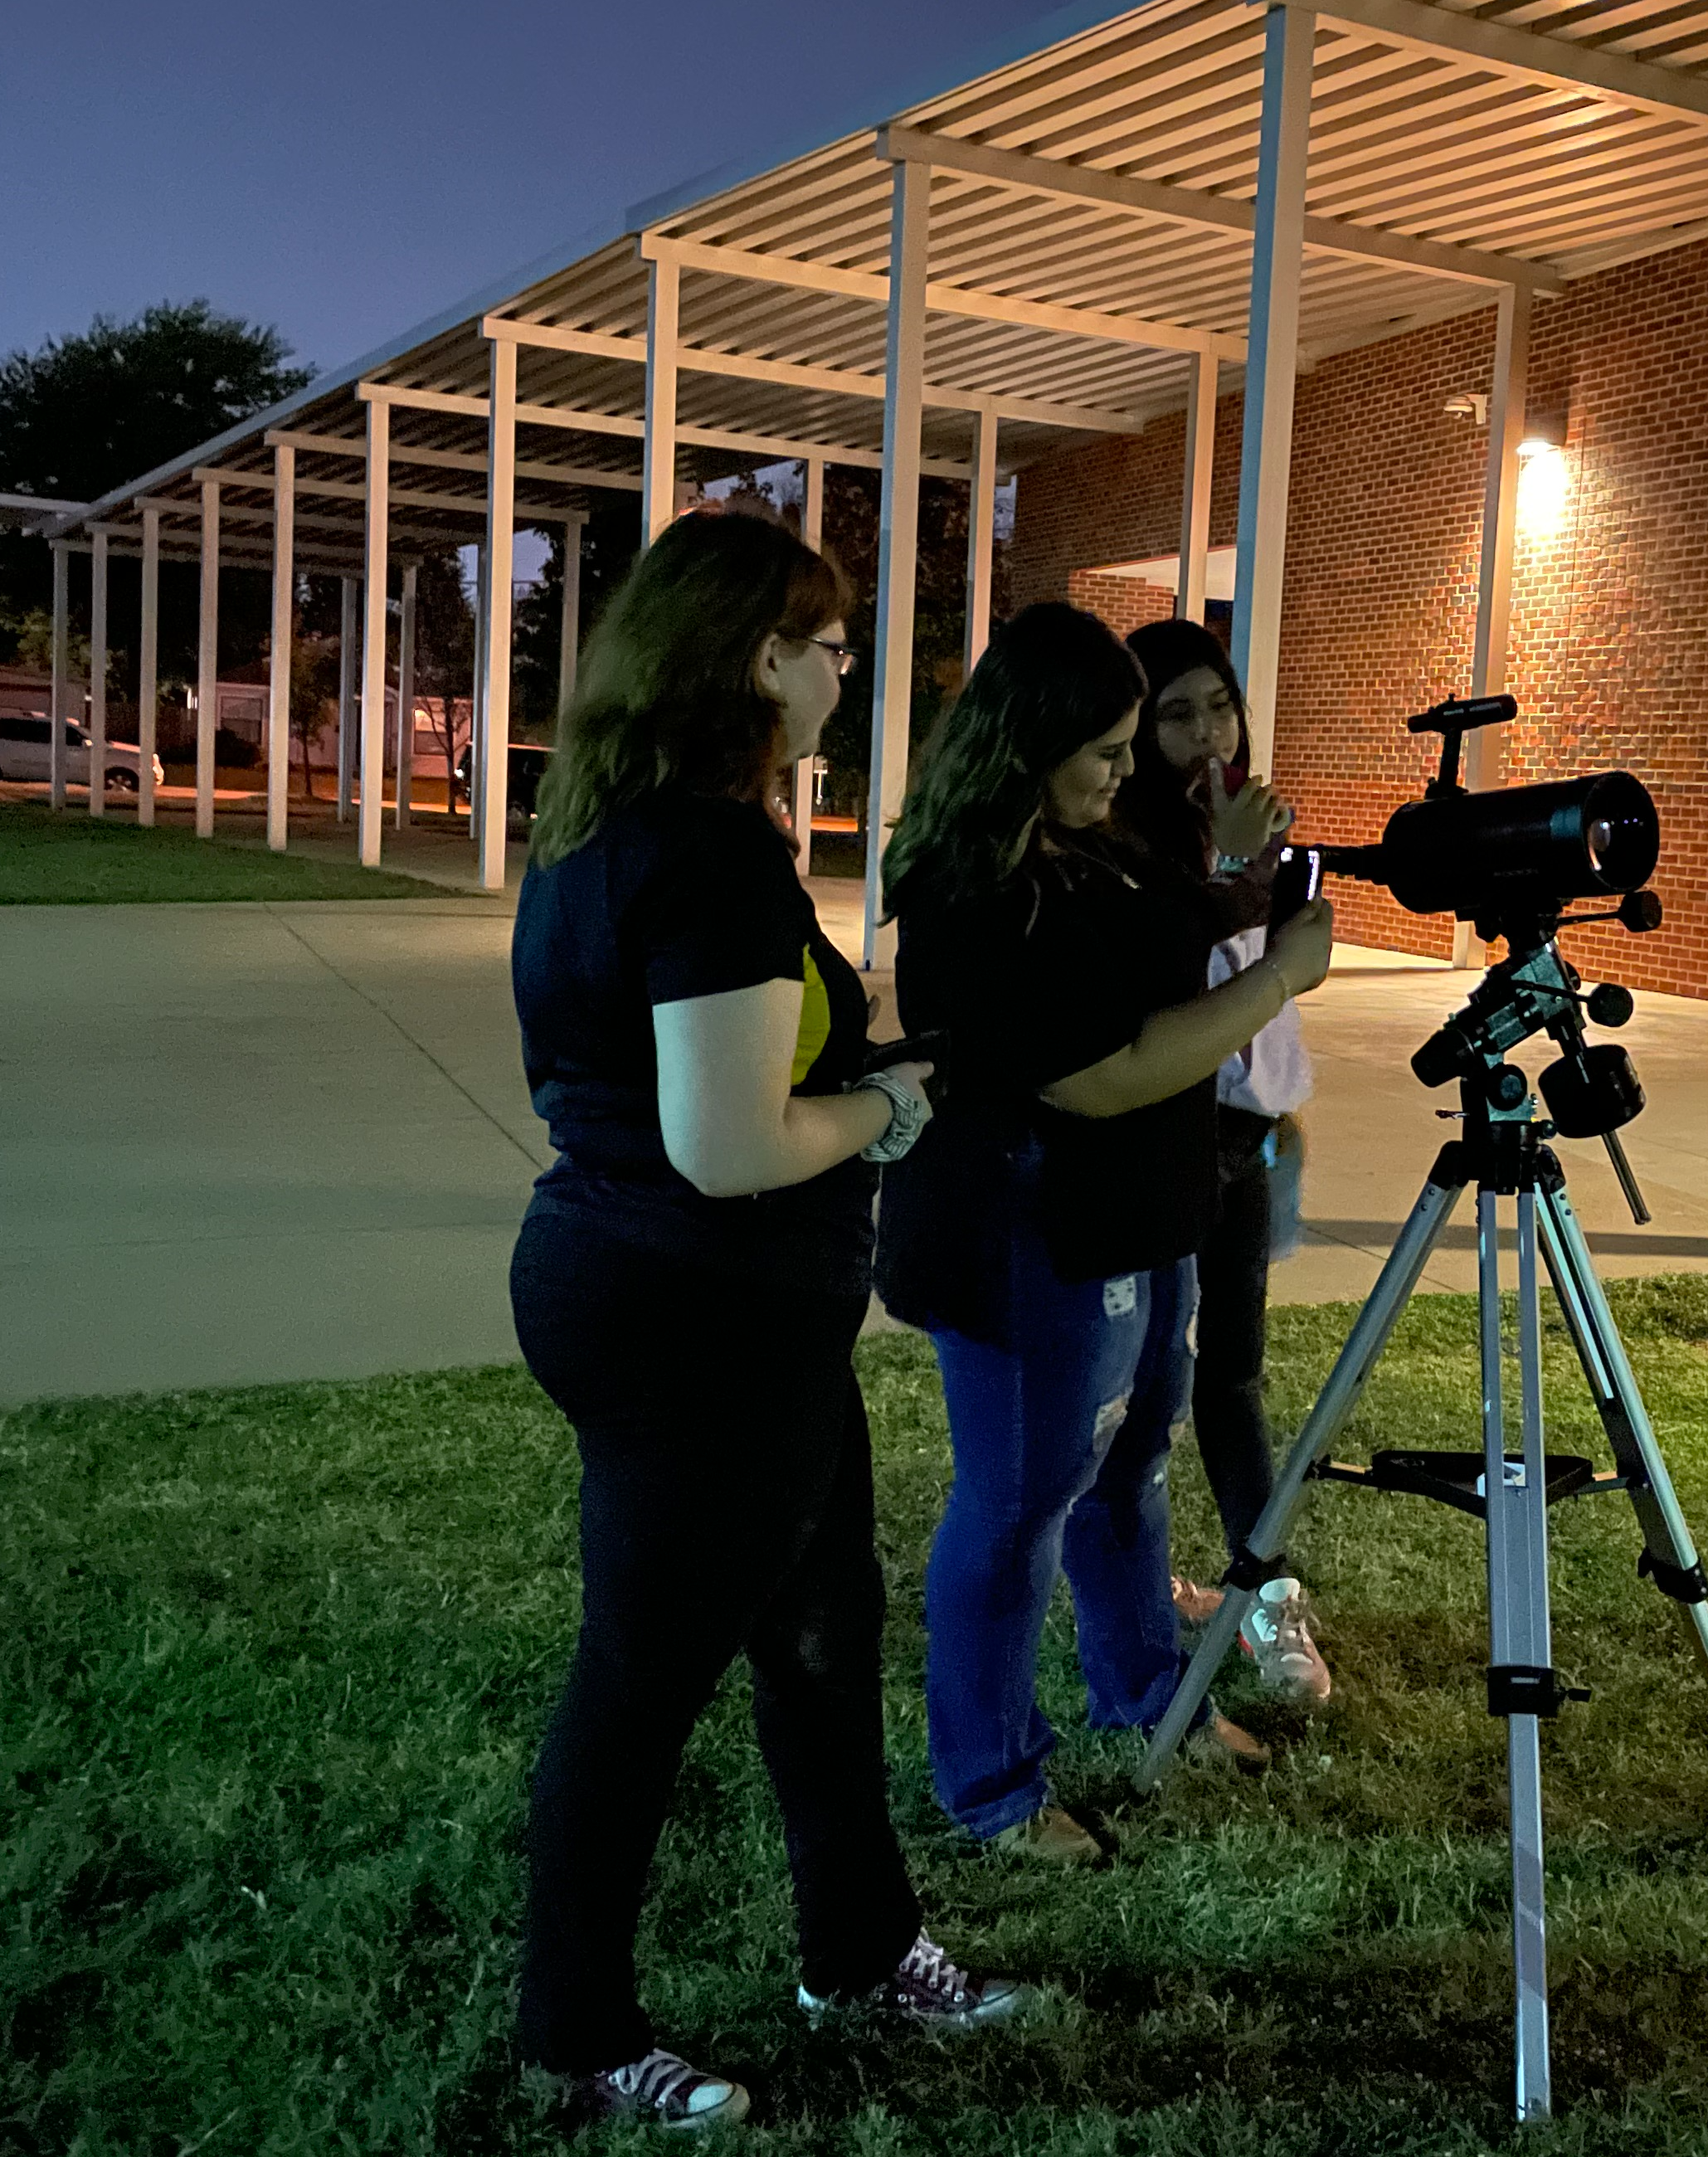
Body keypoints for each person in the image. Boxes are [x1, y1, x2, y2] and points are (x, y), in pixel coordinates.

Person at [505, 511, 1020, 2133]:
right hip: (697, 1321)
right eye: (826, 638)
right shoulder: (710, 855)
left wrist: (848, 1082)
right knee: (641, 1682)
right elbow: (726, 1146)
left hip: (693, 1306)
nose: (846, 664)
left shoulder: (606, 832)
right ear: (754, 658)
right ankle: (578, 2028)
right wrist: (892, 1107)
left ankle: (859, 1946)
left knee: (817, 1639)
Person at [876, 602, 1336, 1865]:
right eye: (1108, 746)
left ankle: (1149, 1698)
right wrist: (1279, 978)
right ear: (1032, 741)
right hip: (1028, 1237)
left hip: (1137, 1215)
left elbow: (1170, 919)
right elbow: (1099, 1075)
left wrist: (1245, 897)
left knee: (1129, 1470)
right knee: (1019, 1504)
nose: (1128, 768)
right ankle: (992, 1783)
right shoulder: (973, 888)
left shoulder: (1095, 848)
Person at [1114, 616, 1331, 1704]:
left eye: (1219, 704)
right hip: (1166, 1149)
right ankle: (1129, 1592)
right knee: (1144, 1388)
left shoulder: (1247, 819)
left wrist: (1285, 1104)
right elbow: (1182, 975)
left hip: (1247, 1146)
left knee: (1232, 1382)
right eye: (1176, 712)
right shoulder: (1131, 836)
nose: (1206, 732)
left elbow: (1277, 975)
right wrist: (1242, 863)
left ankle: (1266, 1592)